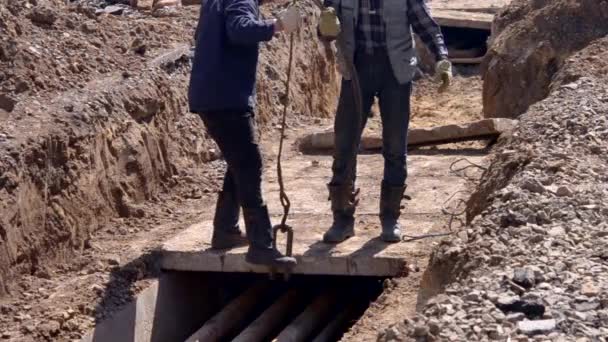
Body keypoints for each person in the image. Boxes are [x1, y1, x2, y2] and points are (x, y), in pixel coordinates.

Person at [318, 0, 452, 243]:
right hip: (356, 70)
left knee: (394, 146)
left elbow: (426, 26)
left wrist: (442, 58)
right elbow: (327, 28)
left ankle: (390, 218)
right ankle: (342, 219)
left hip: (395, 72)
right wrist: (325, 29)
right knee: (344, 145)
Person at [188, 0, 301, 268]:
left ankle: (225, 230)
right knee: (250, 165)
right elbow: (240, 30)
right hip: (227, 99)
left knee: (239, 163)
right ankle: (261, 244)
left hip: (211, 95)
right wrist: (278, 25)